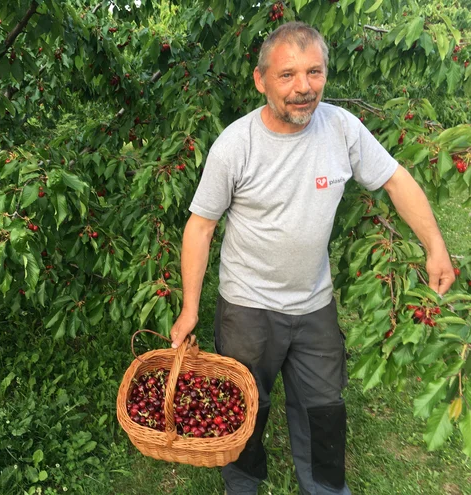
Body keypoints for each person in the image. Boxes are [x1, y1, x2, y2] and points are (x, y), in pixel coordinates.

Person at [169, 21, 455, 495]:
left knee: (323, 409)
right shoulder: (235, 146)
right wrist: (190, 308)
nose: (304, 87)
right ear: (261, 81)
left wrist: (436, 247)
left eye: (314, 72)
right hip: (247, 307)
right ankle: (242, 484)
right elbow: (201, 226)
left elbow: (395, 179)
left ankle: (323, 489)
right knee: (242, 406)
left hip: (314, 304)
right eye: (287, 75)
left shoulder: (342, 128)